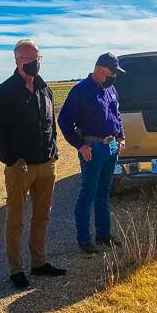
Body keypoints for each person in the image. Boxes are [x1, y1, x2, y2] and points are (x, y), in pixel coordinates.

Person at [0, 39, 66, 289]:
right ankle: (16, 269)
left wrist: (54, 151)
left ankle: (39, 263)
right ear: (18, 61)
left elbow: (50, 124)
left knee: (42, 216)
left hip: (47, 164)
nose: (35, 64)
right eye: (30, 60)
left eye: (38, 59)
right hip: (20, 167)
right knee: (16, 219)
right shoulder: (5, 92)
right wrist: (11, 159)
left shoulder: (45, 89)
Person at [58, 52, 126, 254]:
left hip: (111, 147)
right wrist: (80, 145)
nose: (113, 75)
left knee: (103, 193)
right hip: (92, 149)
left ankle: (103, 235)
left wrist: (121, 137)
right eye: (111, 71)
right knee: (88, 193)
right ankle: (84, 240)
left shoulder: (111, 89)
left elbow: (117, 115)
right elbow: (64, 121)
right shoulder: (80, 90)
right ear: (99, 68)